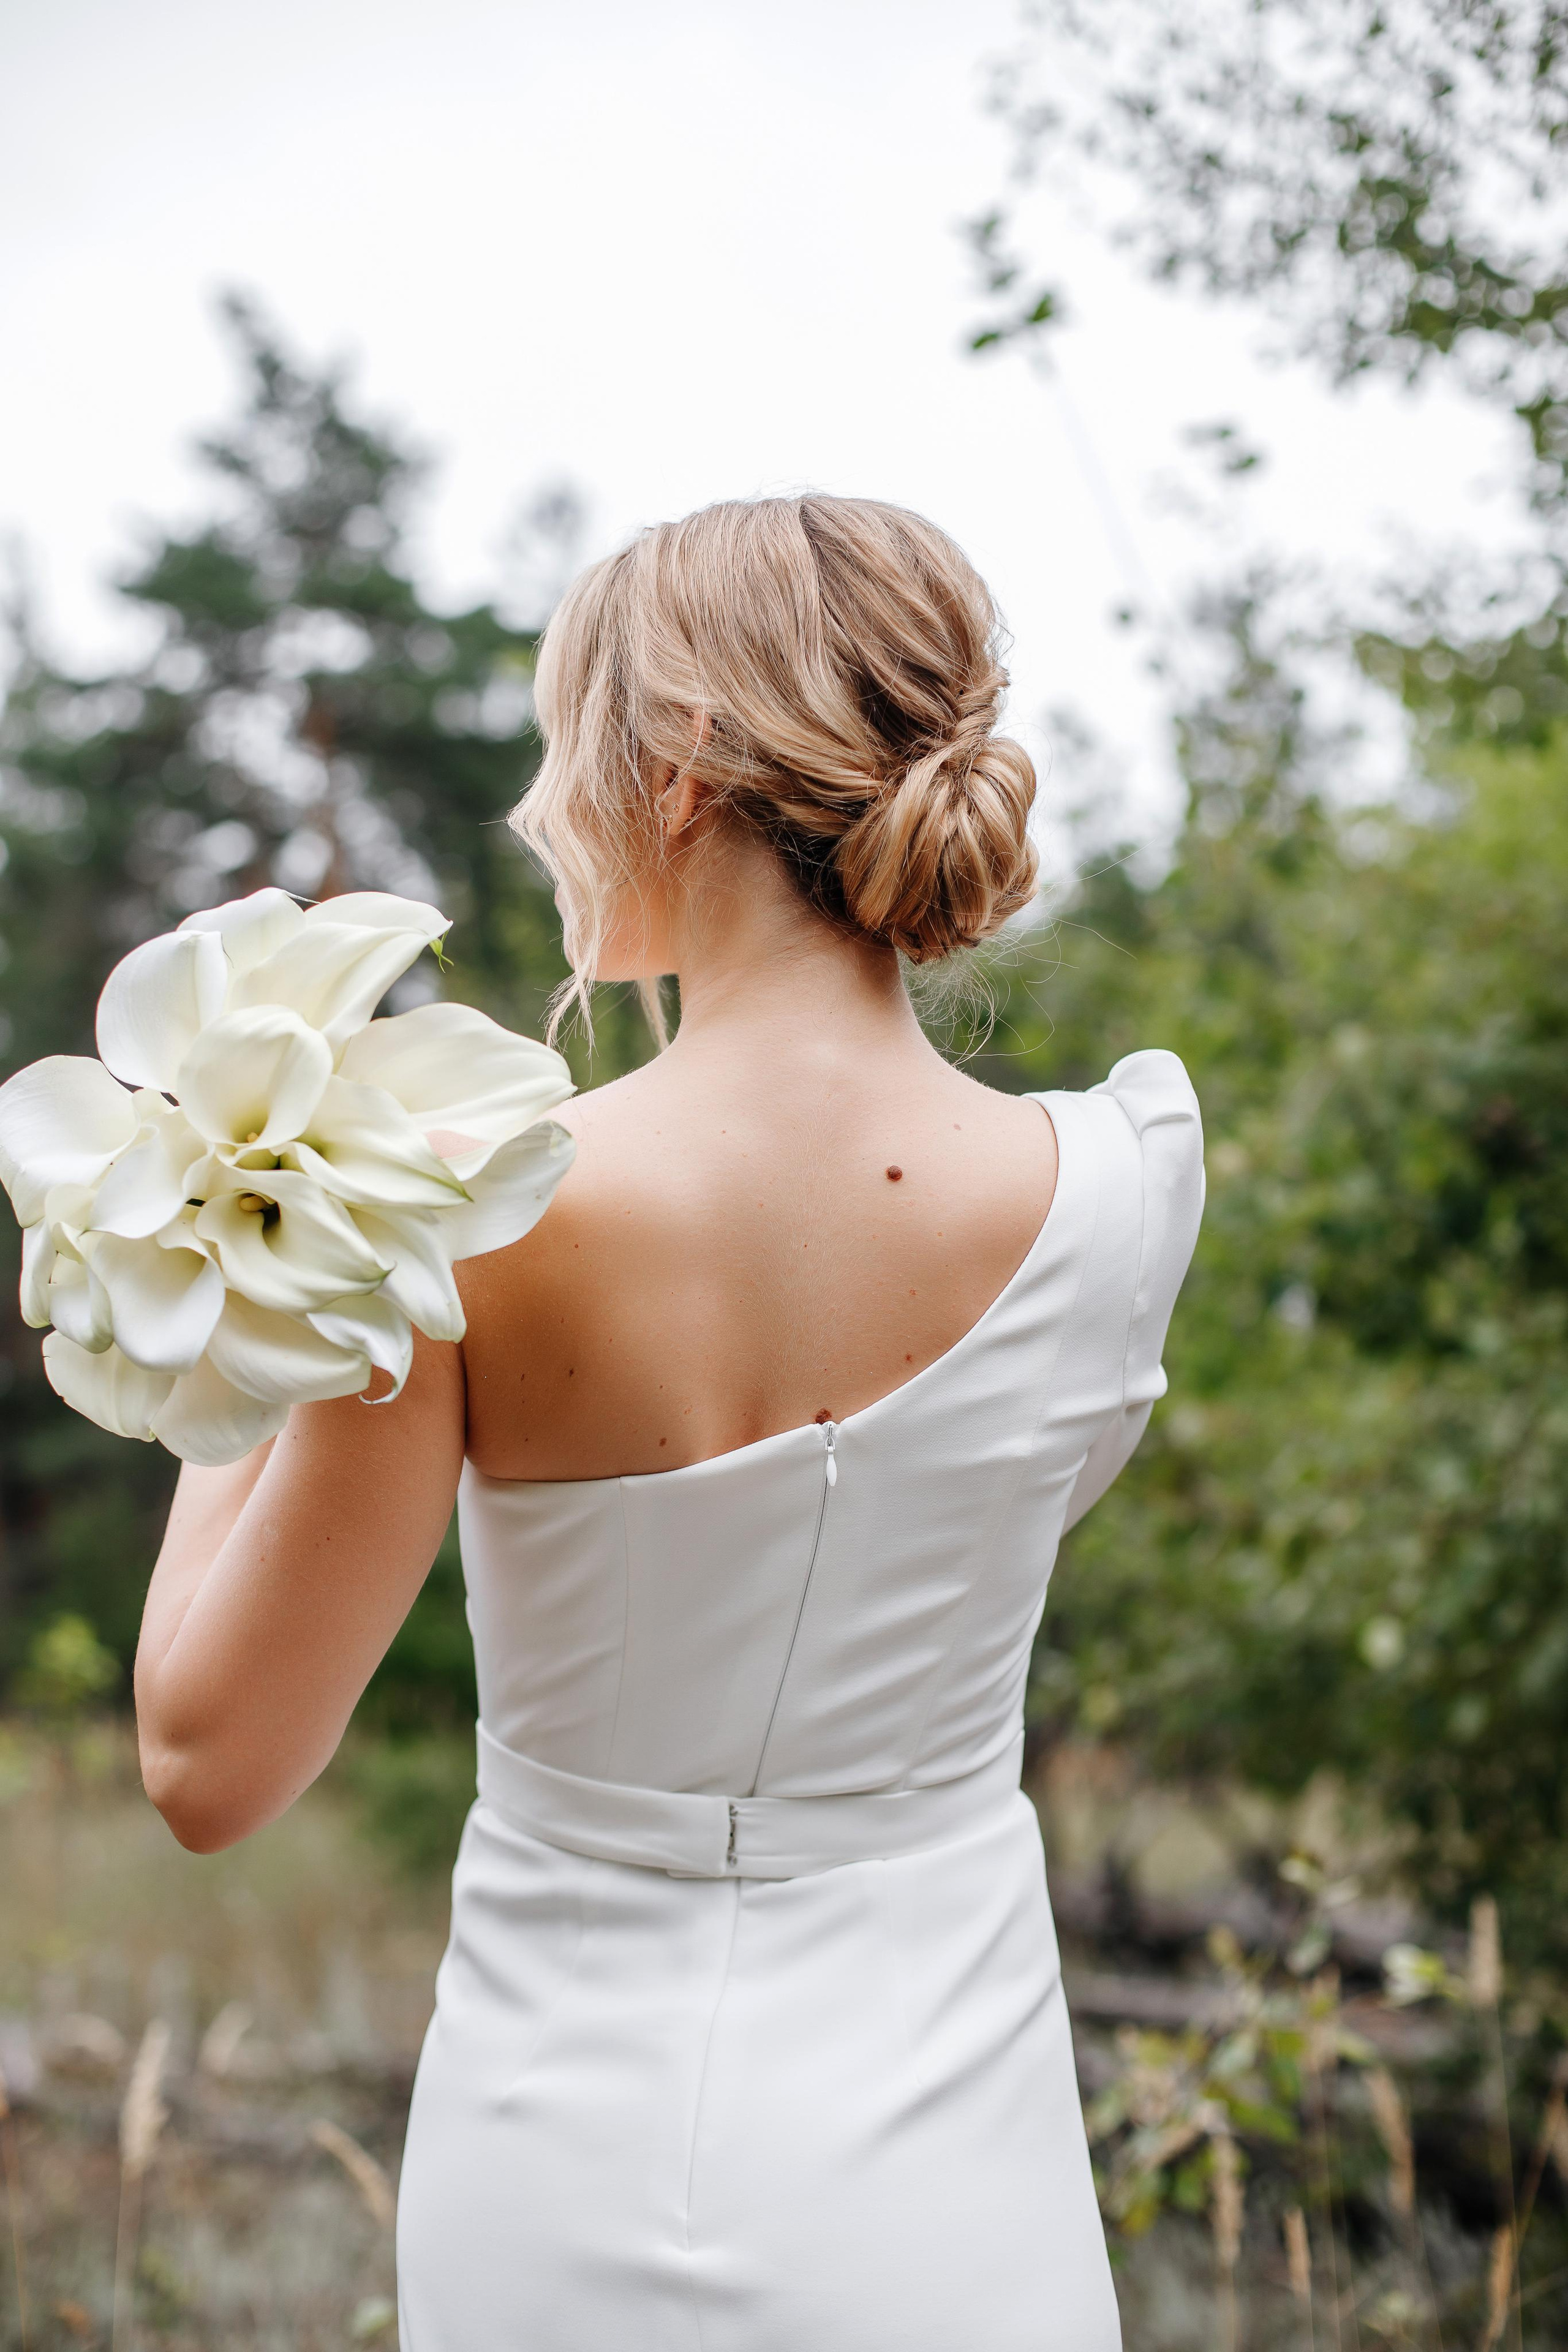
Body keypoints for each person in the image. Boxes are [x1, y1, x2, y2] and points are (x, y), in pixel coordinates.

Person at [134, 495, 1203, 2350]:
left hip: (560, 2154)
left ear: (684, 762)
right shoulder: (1119, 1191)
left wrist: (231, 1286)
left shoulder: (447, 1212)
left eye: (568, 747)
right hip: (959, 2174)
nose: (543, 811)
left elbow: (205, 1763)